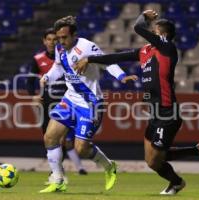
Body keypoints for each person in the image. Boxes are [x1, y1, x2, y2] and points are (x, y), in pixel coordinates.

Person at [74, 10, 199, 195]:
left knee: (158, 157)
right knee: (152, 161)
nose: (151, 33)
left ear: (162, 34)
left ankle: (184, 171)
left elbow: (137, 27)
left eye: (155, 30)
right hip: (154, 113)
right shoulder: (145, 52)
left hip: (168, 112)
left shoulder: (167, 48)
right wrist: (90, 59)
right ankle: (193, 158)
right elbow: (115, 57)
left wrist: (143, 16)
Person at [39, 16, 137, 193]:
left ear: (74, 35)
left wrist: (122, 76)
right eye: (58, 38)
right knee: (49, 137)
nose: (61, 41)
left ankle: (109, 166)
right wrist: (47, 77)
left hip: (91, 104)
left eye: (64, 37)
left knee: (81, 149)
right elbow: (58, 67)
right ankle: (58, 179)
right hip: (70, 99)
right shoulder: (60, 48)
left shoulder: (87, 46)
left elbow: (107, 63)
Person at [26, 28, 88, 180]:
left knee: (65, 139)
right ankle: (58, 171)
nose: (52, 42)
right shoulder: (37, 59)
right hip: (47, 102)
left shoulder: (69, 54)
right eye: (49, 39)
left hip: (68, 100)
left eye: (55, 39)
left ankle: (59, 172)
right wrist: (32, 96)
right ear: (44, 41)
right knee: (49, 137)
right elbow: (30, 81)